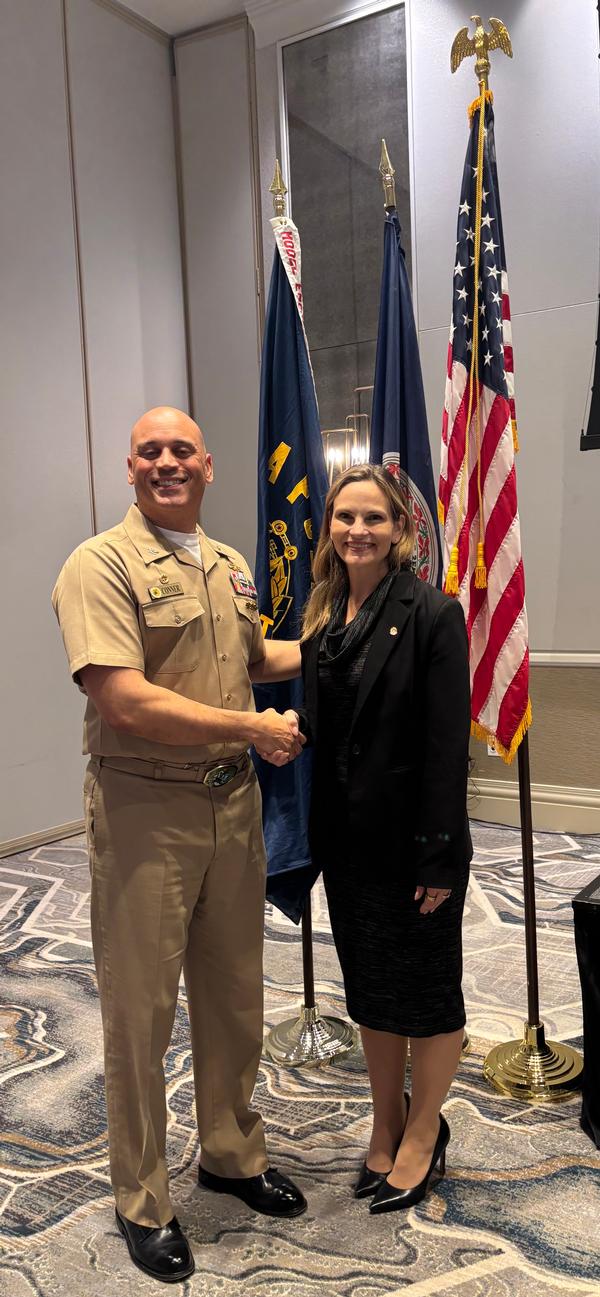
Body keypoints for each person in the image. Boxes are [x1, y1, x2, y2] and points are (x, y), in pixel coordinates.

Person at [52, 406, 307, 1284]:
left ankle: (231, 1156)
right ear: (130, 468)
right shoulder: (100, 564)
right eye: (150, 451)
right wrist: (250, 726)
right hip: (144, 813)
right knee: (142, 1014)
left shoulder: (230, 563)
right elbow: (124, 698)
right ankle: (143, 1200)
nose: (168, 462)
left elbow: (248, 656)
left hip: (230, 808)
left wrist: (333, 646)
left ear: (209, 465)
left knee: (236, 997)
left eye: (182, 451)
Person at [294, 463, 472, 1215]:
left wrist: (439, 851)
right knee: (372, 988)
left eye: (373, 518)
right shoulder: (325, 615)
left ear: (400, 529)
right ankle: (386, 1119)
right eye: (344, 518)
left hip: (414, 847)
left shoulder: (433, 612)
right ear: (328, 529)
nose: (357, 531)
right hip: (348, 845)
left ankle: (426, 1130)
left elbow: (444, 746)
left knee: (427, 992)